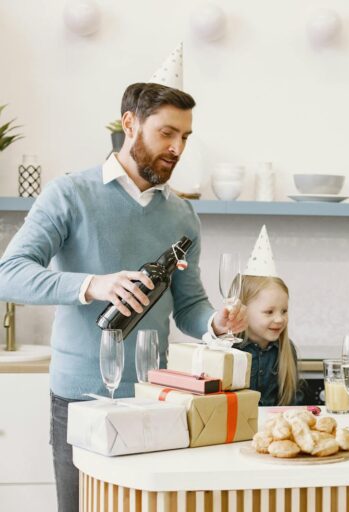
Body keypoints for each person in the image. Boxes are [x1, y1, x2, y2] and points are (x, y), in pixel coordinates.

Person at [0, 81, 246, 512]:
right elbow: (9, 274)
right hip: (79, 400)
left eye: (185, 137)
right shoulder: (69, 194)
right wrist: (92, 285)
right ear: (130, 124)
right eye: (166, 133)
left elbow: (190, 306)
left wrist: (215, 323)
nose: (177, 148)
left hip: (155, 401)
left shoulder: (182, 216)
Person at [232, 226, 300, 406]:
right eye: (269, 312)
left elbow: (293, 403)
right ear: (242, 310)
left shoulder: (286, 350)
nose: (279, 319)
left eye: (284, 311)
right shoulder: (229, 350)